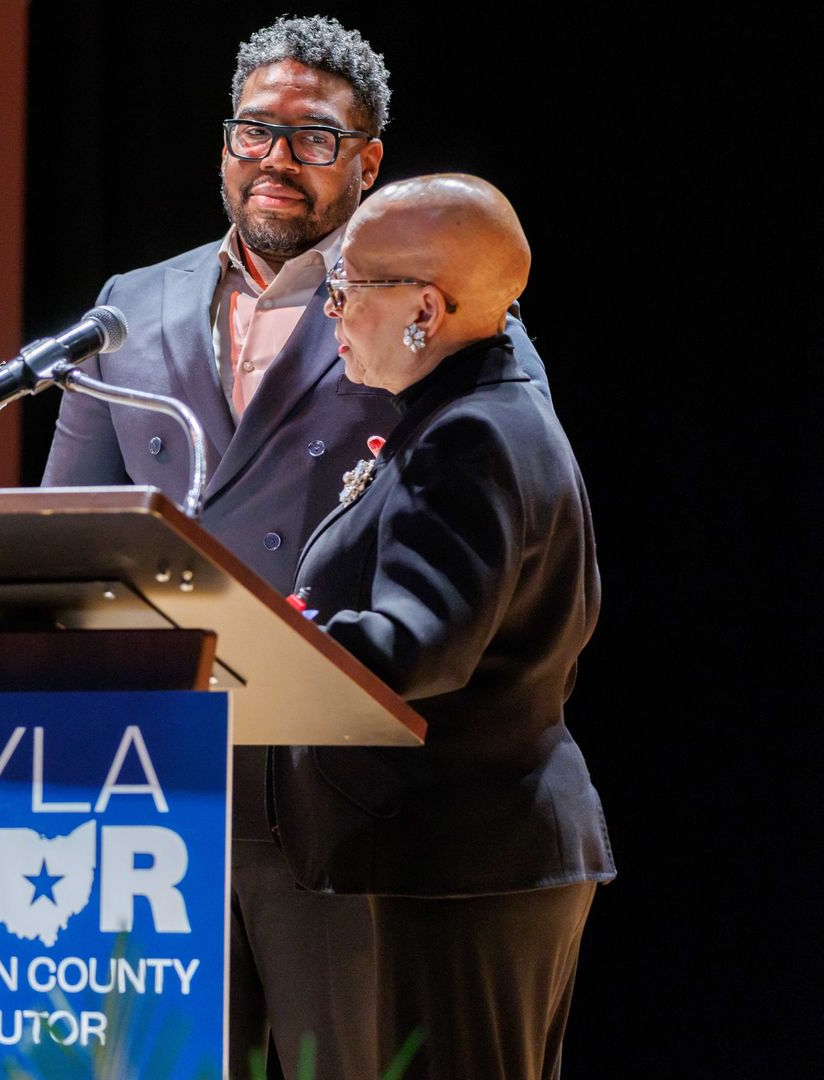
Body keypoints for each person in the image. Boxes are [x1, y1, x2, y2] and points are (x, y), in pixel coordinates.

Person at [41, 17, 548, 1073]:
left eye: (312, 138)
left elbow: (484, 484)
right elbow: (70, 534)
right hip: (157, 784)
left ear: (367, 162)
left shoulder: (427, 302)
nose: (277, 157)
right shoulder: (129, 307)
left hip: (344, 792)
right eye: (254, 130)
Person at [283, 173, 613, 1080]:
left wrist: (246, 641)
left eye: (346, 288)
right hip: (481, 851)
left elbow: (418, 646)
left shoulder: (469, 435)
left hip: (466, 853)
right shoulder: (489, 408)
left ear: (425, 307)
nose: (331, 313)